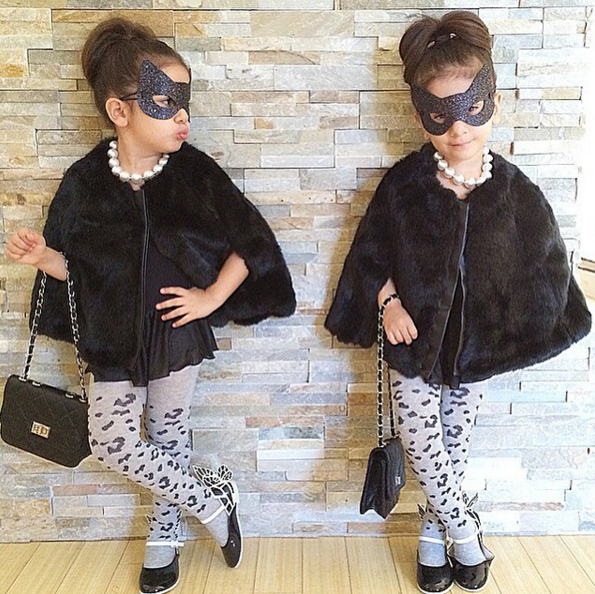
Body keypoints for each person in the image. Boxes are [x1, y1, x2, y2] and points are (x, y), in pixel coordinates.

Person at [6, 16, 295, 594]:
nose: (182, 117)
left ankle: (165, 536)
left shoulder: (195, 173)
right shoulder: (84, 182)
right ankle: (209, 502)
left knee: (168, 435)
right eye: (165, 102)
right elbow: (77, 272)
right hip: (110, 335)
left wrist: (211, 297)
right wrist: (44, 258)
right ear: (120, 110)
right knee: (113, 441)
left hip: (174, 331)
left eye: (185, 102)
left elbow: (252, 243)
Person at [324, 11, 591, 594]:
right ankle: (464, 530)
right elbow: (368, 258)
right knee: (422, 442)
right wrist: (388, 303)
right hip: (414, 343)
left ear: (493, 101)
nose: (458, 128)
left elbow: (544, 265)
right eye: (439, 115)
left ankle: (430, 535)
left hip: (476, 351)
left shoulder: (517, 192)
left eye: (471, 108)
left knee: (452, 446)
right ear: (420, 114)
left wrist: (523, 324)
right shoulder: (403, 185)